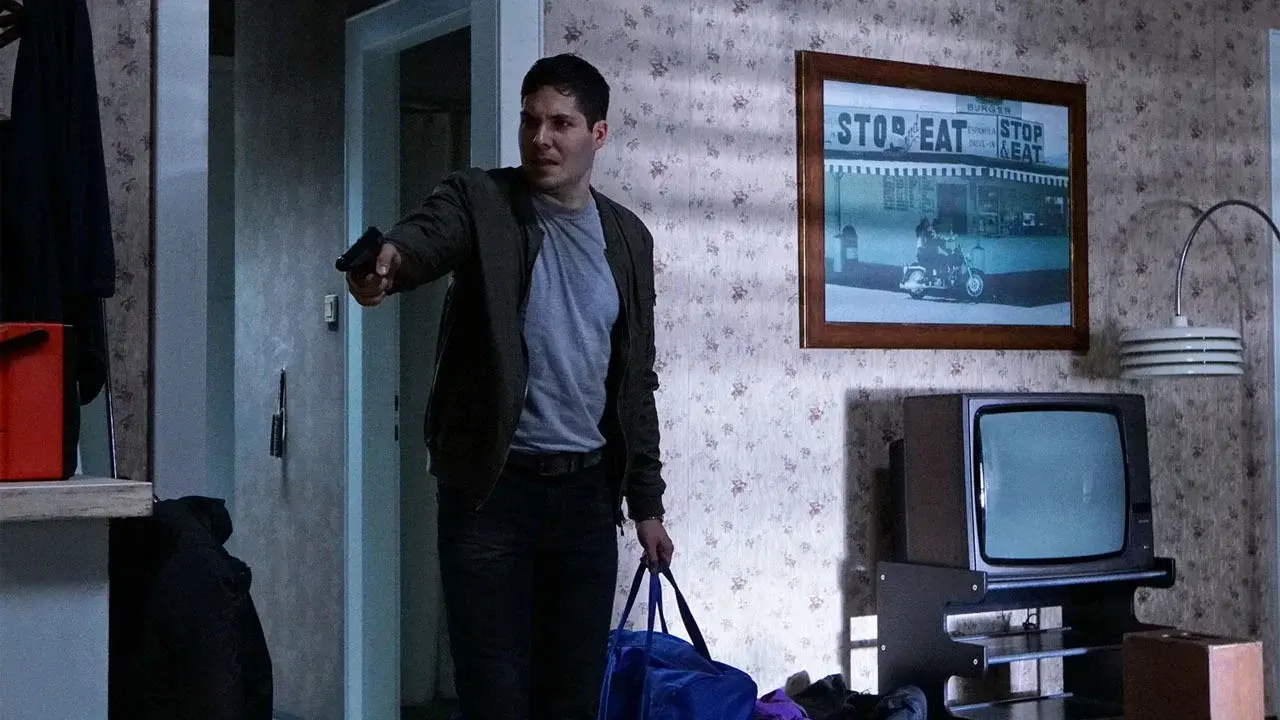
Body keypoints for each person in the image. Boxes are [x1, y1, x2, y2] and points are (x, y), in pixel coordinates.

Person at [345, 54, 674, 720]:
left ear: (598, 134)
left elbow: (635, 380)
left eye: (560, 124)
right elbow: (427, 237)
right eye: (529, 122)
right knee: (493, 692)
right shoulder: (481, 200)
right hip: (490, 496)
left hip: (586, 498)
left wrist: (647, 504)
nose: (540, 139)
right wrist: (389, 264)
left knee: (572, 693)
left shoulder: (627, 239)